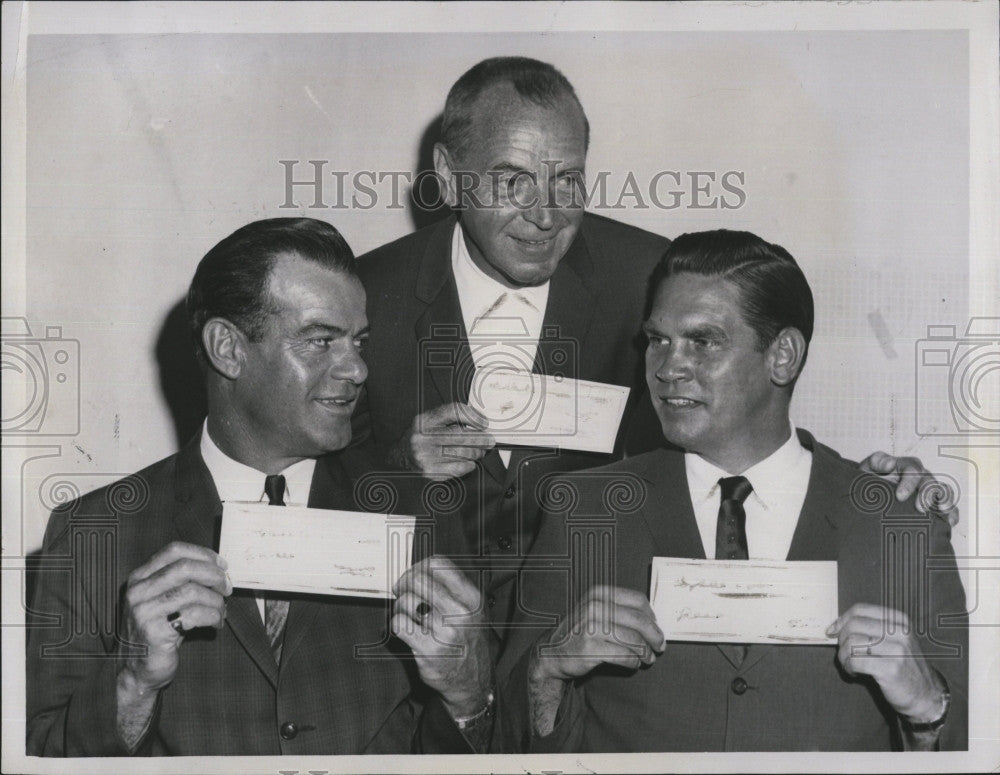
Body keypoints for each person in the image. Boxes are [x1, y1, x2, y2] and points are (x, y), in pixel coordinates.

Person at [355, 56, 951, 636]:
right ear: (449, 175)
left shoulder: (651, 278)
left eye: (566, 181)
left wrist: (878, 490)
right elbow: (292, 493)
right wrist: (398, 467)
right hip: (407, 655)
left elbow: (741, 426)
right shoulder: (363, 296)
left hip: (605, 654)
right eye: (512, 181)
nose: (544, 215)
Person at [26, 218, 492, 756]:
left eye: (358, 341)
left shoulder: (419, 513)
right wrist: (132, 684)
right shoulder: (93, 532)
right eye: (320, 341)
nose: (358, 369)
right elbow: (40, 754)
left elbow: (491, 747)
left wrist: (470, 697)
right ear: (228, 347)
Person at [496, 230, 968, 752]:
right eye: (657, 340)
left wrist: (928, 709)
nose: (667, 368)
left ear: (783, 355)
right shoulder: (581, 510)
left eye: (703, 341)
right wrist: (547, 668)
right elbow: (502, 746)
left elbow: (968, 746)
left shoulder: (898, 520)